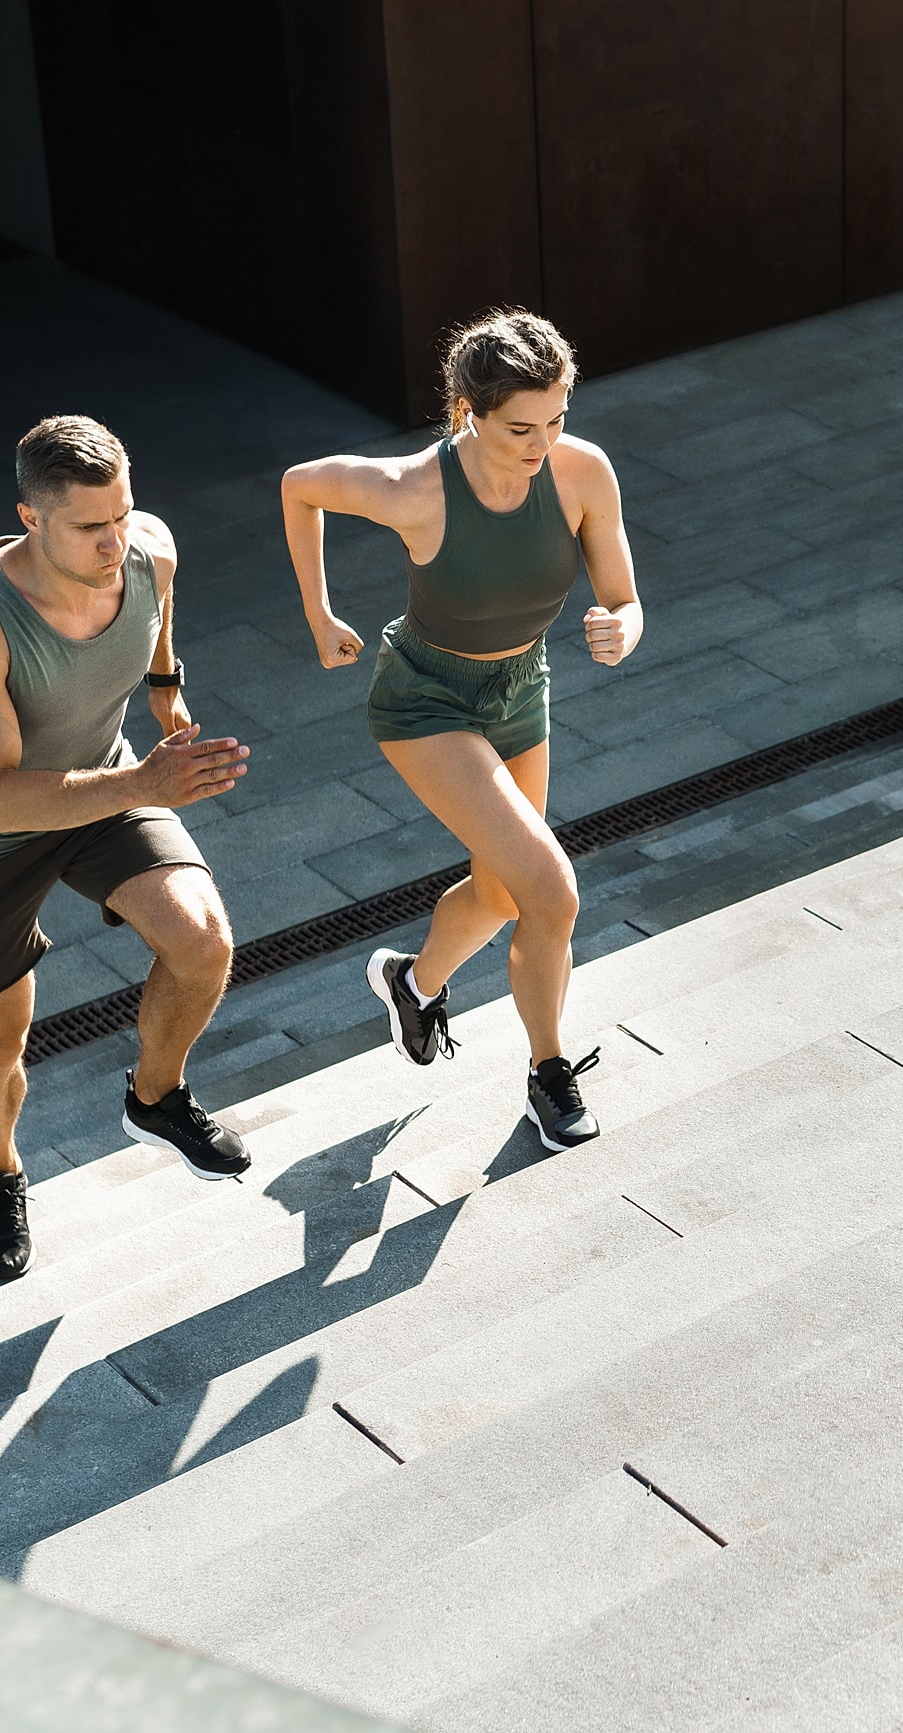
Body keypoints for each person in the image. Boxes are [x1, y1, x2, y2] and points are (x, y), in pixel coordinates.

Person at [280, 310, 643, 1151]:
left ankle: (413, 982)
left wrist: (622, 627)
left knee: (503, 891)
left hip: (522, 688)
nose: (542, 441)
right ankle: (547, 1074)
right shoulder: (415, 488)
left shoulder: (582, 472)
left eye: (557, 419)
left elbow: (624, 595)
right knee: (551, 889)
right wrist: (318, 613)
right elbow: (301, 484)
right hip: (426, 701)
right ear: (469, 412)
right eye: (521, 426)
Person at [0, 415, 255, 1281]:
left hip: (104, 784)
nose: (116, 542)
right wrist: (145, 784)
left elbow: (158, 615)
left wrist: (167, 688)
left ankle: (156, 1095)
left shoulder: (150, 551)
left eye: (124, 514)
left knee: (203, 940)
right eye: (90, 527)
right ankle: (1, 1170)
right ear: (31, 518)